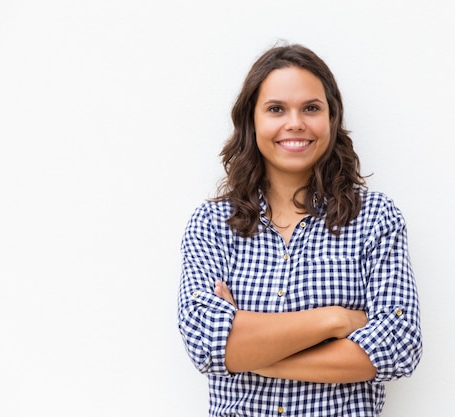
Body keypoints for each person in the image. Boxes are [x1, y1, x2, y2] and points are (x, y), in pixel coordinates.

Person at [177, 43, 422, 416]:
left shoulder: (374, 217)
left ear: (331, 118)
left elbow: (397, 346)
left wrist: (253, 355)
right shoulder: (212, 225)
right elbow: (206, 343)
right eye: (276, 109)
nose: (295, 123)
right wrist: (335, 319)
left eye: (311, 108)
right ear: (252, 121)